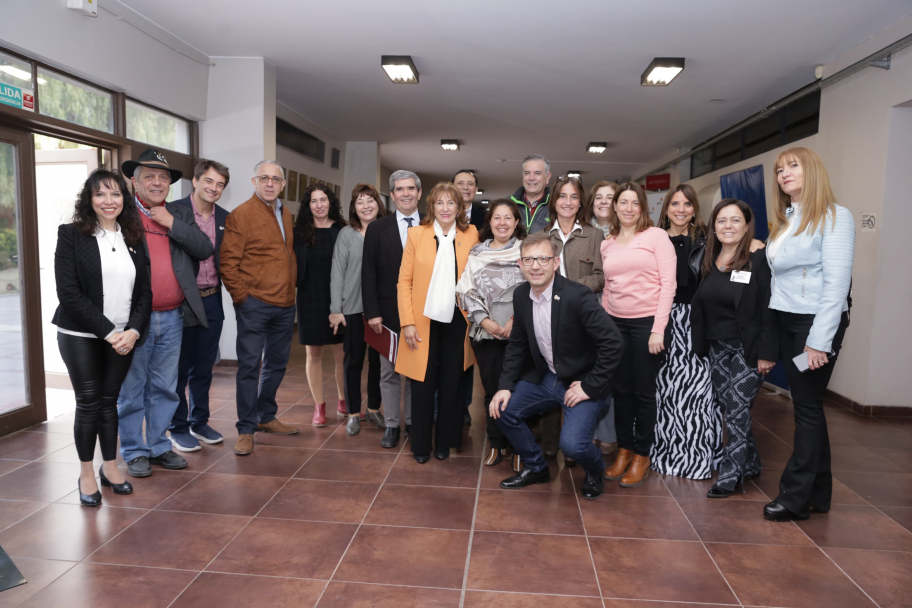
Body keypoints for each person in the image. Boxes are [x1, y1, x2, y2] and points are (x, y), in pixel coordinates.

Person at [489, 232, 624, 501]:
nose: (535, 265)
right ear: (520, 264)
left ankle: (596, 470)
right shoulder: (521, 295)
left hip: (583, 381)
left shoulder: (578, 296)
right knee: (501, 409)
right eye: (528, 259)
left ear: (556, 262)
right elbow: (517, 345)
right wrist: (504, 387)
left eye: (542, 258)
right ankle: (537, 469)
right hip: (548, 378)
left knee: (572, 445)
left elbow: (614, 342)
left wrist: (591, 385)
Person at [763, 147, 855, 522]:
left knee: (806, 409)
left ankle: (795, 497)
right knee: (809, 405)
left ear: (812, 170)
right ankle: (819, 493)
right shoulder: (787, 219)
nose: (784, 173)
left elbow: (836, 286)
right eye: (780, 169)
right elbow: (778, 276)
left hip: (813, 326)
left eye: (793, 166)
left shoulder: (835, 216)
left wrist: (819, 341)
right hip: (787, 321)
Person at [54, 169, 151, 505]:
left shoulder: (134, 238)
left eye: (115, 194)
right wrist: (111, 333)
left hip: (124, 336)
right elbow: (68, 293)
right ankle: (85, 472)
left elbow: (144, 293)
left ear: (124, 199)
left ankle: (110, 467)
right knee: (89, 403)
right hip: (80, 334)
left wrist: (134, 331)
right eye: (101, 194)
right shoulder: (71, 235)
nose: (109, 201)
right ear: (89, 199)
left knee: (110, 403)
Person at [117, 149, 213, 478]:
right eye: (149, 176)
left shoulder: (178, 215)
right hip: (135, 321)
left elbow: (203, 249)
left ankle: (159, 446)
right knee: (132, 390)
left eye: (163, 177)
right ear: (134, 181)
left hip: (173, 317)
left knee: (164, 387)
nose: (157, 182)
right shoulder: (121, 215)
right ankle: (133, 450)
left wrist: (170, 223)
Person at [692, 199, 777, 497]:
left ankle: (730, 474)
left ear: (746, 225)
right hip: (717, 346)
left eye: (735, 220)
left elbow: (769, 307)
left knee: (738, 408)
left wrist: (768, 352)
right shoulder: (708, 257)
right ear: (713, 227)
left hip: (748, 347)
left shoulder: (759, 258)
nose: (728, 226)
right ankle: (750, 461)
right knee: (729, 407)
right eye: (721, 221)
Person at [220, 160, 300, 456]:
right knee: (250, 366)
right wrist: (243, 298)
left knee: (277, 364)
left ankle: (265, 415)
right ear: (254, 181)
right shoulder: (241, 214)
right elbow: (227, 262)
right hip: (254, 305)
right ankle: (245, 428)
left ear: (282, 184)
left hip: (285, 304)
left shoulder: (286, 213)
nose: (269, 183)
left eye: (275, 179)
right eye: (264, 178)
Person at [397, 182, 479, 463]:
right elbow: (404, 282)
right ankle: (420, 445)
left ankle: (445, 441)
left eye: (451, 203)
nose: (445, 209)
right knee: (422, 382)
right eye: (440, 203)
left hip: (458, 321)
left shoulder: (471, 235)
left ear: (460, 208)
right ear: (431, 207)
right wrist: (407, 322)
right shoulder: (416, 234)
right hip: (422, 321)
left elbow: (477, 278)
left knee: (452, 383)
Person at [601, 182, 676, 487]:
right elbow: (608, 289)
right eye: (623, 202)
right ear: (615, 207)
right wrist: (605, 330)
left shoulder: (657, 237)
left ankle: (642, 456)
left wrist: (658, 329)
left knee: (643, 393)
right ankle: (624, 450)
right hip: (616, 325)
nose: (629, 208)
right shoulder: (608, 243)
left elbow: (668, 285)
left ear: (643, 207)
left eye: (635, 203)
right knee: (621, 392)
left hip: (647, 325)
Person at [650, 184, 719, 479]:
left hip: (695, 323)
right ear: (666, 208)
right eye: (675, 203)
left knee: (698, 394)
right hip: (661, 321)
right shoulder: (652, 239)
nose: (680, 209)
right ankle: (663, 453)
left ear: (694, 209)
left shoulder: (708, 239)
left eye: (687, 204)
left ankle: (696, 457)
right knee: (664, 392)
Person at [456, 199, 527, 469]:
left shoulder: (526, 250)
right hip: (485, 334)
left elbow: (536, 287)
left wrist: (515, 320)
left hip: (519, 333)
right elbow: (464, 290)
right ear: (490, 223)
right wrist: (483, 321)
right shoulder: (476, 253)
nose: (502, 223)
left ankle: (520, 447)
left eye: (508, 218)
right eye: (497, 218)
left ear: (517, 222)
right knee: (492, 390)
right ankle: (496, 444)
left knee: (519, 391)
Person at [541, 175, 605, 465]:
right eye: (562, 196)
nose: (568, 202)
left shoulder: (593, 235)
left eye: (574, 197)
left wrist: (572, 293)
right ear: (554, 201)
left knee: (576, 376)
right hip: (548, 317)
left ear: (581, 203)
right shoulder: (544, 235)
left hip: (582, 318)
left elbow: (599, 276)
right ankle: (551, 443)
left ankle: (575, 441)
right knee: (552, 377)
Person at [168, 160, 231, 452]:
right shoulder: (172, 212)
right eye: (208, 181)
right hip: (182, 302)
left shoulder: (226, 218)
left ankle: (199, 421)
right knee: (179, 369)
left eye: (219, 184)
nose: (213, 188)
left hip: (213, 300)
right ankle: (177, 427)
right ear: (195, 181)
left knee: (204, 368)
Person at [362, 170, 420, 448]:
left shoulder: (432, 226)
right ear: (392, 194)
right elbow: (368, 273)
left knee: (415, 373)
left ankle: (411, 423)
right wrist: (372, 311)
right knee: (388, 371)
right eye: (399, 189)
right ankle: (392, 425)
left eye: (410, 188)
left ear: (419, 193)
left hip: (422, 314)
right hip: (386, 314)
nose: (405, 193)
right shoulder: (377, 228)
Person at [329, 183, 386, 435]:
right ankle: (353, 413)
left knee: (378, 363)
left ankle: (374, 409)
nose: (366, 206)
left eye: (370, 200)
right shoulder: (346, 234)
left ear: (378, 203)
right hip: (351, 309)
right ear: (354, 207)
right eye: (360, 201)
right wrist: (335, 308)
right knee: (353, 362)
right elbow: (337, 273)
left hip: (381, 311)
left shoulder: (387, 231)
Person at [294, 184, 347, 427]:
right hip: (310, 298)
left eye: (323, 199)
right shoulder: (300, 232)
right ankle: (319, 406)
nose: (319, 205)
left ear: (330, 202)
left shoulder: (343, 230)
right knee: (313, 354)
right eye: (313, 201)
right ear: (308, 206)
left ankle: (343, 400)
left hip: (340, 299)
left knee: (342, 355)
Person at [587, 181, 620, 455]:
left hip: (617, 308)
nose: (604, 202)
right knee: (588, 369)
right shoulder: (584, 230)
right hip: (586, 306)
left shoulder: (627, 232)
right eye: (599, 197)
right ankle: (589, 432)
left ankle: (608, 433)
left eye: (610, 197)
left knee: (609, 370)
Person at [453, 170, 485, 424]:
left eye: (470, 184)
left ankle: (463, 408)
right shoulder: (438, 217)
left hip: (474, 300)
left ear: (476, 189)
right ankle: (438, 407)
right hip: (442, 299)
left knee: (467, 358)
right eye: (460, 183)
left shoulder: (486, 219)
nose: (465, 187)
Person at [509, 154, 552, 234]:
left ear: (548, 176)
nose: (531, 178)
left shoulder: (557, 205)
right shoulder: (507, 204)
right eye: (527, 173)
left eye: (537, 173)